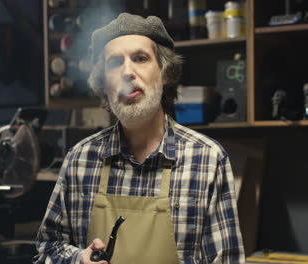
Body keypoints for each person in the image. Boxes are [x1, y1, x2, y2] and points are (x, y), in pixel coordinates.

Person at [34, 13, 245, 264]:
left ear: (164, 73)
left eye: (140, 58)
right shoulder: (80, 160)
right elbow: (48, 249)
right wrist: (77, 258)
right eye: (114, 63)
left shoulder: (207, 160)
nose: (127, 72)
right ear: (103, 84)